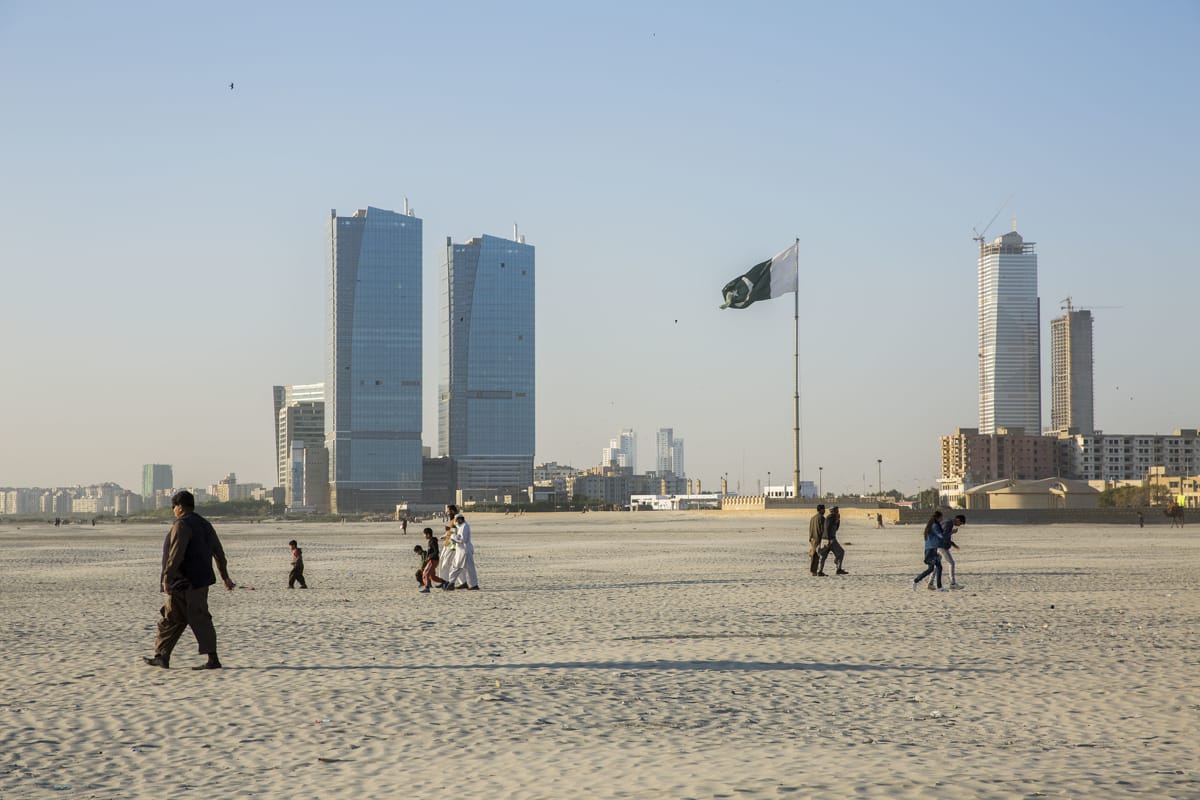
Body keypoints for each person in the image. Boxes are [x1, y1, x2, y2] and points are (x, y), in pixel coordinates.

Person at [143, 490, 235, 670]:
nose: (173, 510)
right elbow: (218, 552)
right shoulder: (205, 524)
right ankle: (164, 656)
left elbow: (176, 554)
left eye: (173, 507)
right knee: (180, 619)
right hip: (200, 581)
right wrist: (225, 576)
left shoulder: (182, 524)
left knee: (180, 618)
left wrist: (167, 578)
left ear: (180, 507)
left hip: (183, 582)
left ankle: (208, 659)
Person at [443, 506, 479, 590]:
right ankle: (474, 585)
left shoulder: (464, 526)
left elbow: (462, 539)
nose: (455, 522)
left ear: (460, 519)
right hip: (464, 551)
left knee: (456, 567)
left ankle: (451, 583)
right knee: (470, 569)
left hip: (463, 551)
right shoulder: (461, 526)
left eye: (456, 520)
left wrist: (452, 536)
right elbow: (457, 533)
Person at [912, 511, 946, 592]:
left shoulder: (934, 524)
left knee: (938, 567)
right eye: (941, 517)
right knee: (931, 569)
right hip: (930, 550)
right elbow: (940, 535)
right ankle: (916, 581)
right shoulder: (935, 525)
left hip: (932, 549)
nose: (942, 518)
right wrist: (949, 533)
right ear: (938, 517)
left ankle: (939, 587)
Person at [933, 514, 965, 589]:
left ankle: (930, 583)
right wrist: (952, 532)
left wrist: (954, 545)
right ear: (957, 520)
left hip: (937, 545)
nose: (959, 525)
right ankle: (952, 583)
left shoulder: (948, 522)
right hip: (941, 546)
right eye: (960, 523)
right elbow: (943, 536)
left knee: (937, 565)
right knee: (951, 563)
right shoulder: (948, 523)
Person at [818, 506, 848, 576]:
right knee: (841, 552)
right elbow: (827, 528)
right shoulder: (830, 517)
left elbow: (836, 528)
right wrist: (828, 539)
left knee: (824, 556)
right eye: (837, 510)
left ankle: (820, 571)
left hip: (827, 539)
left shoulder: (833, 518)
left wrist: (838, 520)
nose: (838, 511)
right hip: (830, 539)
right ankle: (838, 568)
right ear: (833, 511)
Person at [418, 527, 443, 592]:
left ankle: (427, 588)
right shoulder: (431, 541)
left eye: (424, 534)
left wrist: (429, 557)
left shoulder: (433, 541)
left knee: (425, 573)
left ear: (428, 534)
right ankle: (445, 582)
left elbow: (436, 551)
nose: (424, 536)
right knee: (432, 577)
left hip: (433, 560)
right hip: (432, 560)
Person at [807, 504, 826, 576]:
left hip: (812, 539)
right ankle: (815, 571)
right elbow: (823, 530)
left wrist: (810, 538)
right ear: (820, 510)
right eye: (823, 509)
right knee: (817, 556)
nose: (824, 511)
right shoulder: (821, 518)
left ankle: (814, 571)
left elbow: (810, 528)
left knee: (814, 555)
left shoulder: (813, 518)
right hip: (818, 539)